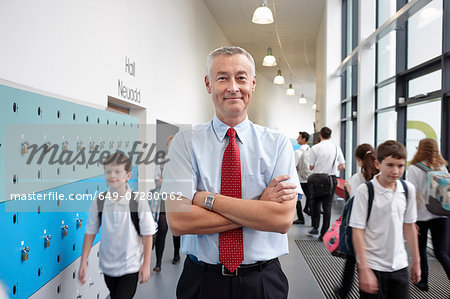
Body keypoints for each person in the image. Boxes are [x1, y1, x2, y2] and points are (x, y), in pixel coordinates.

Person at [161, 46, 300, 299]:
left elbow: (280, 220)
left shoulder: (277, 144)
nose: (233, 87)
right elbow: (179, 222)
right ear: (208, 84)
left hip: (263, 282)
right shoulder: (185, 142)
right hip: (202, 282)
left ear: (253, 83)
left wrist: (206, 199)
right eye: (222, 77)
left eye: (241, 77)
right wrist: (259, 208)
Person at [79, 152, 156, 299]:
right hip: (108, 267)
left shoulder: (138, 201)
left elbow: (147, 234)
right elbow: (90, 232)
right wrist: (83, 261)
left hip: (130, 267)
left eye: (117, 171)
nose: (112, 175)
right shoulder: (99, 201)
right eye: (108, 171)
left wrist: (146, 265)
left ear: (128, 175)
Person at [350, 140, 420, 298]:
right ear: (377, 164)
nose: (395, 171)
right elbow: (357, 231)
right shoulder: (365, 191)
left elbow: (409, 226)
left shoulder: (408, 190)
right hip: (373, 265)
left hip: (399, 266)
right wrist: (364, 268)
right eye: (390, 165)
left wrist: (416, 261)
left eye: (400, 166)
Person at [406, 138, 450, 292]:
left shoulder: (413, 168)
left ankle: (423, 282)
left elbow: (411, 195)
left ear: (420, 149)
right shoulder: (442, 167)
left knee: (421, 250)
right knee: (440, 251)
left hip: (421, 216)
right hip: (441, 215)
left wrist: (411, 220)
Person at [335, 143, 378, 299]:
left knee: (352, 259)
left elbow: (354, 203)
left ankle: (345, 290)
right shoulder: (379, 176)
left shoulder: (357, 178)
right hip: (376, 229)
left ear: (358, 160)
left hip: (359, 227)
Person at [308, 127, 345, 241]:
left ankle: (315, 227)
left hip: (317, 179)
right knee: (327, 206)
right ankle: (323, 233)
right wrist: (334, 167)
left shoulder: (315, 148)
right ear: (330, 136)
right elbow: (342, 165)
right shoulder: (336, 148)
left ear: (320, 136)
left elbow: (311, 167)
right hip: (330, 179)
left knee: (314, 203)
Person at [152, 135, 181, 272]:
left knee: (176, 229)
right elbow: (156, 180)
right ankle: (158, 263)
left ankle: (176, 254)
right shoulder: (161, 160)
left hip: (176, 198)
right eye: (170, 144)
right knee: (162, 228)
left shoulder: (182, 161)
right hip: (162, 198)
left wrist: (166, 182)